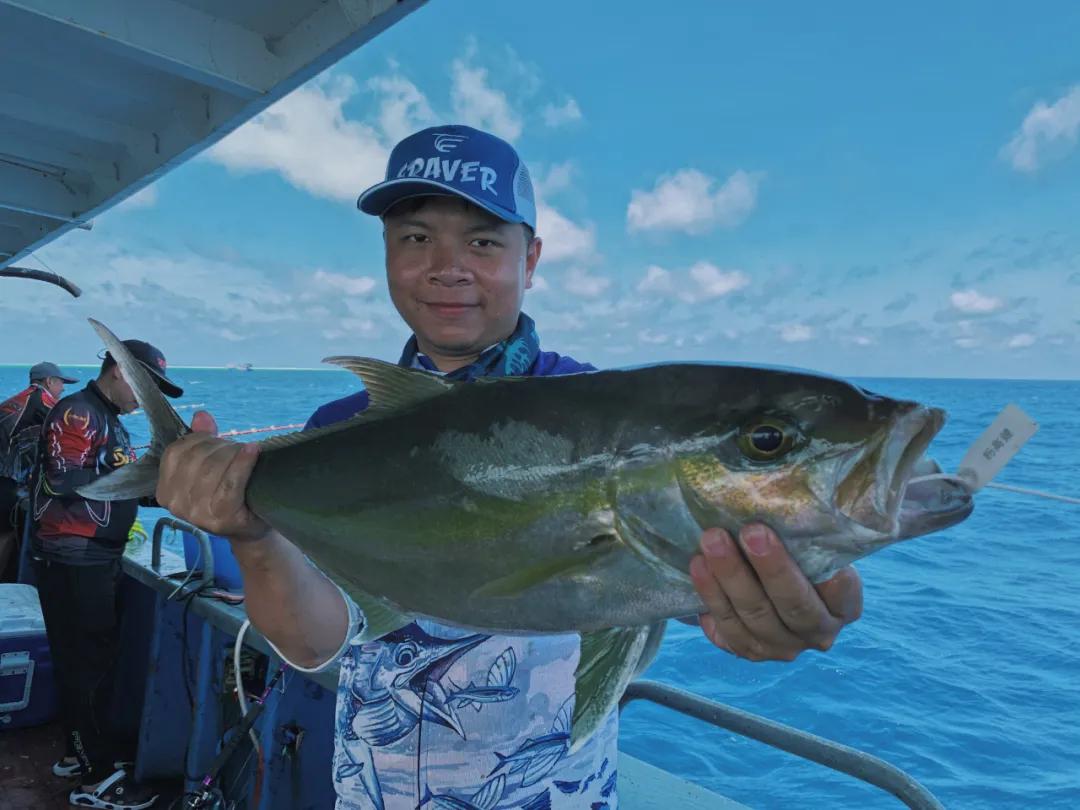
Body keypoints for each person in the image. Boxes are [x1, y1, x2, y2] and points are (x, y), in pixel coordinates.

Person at [155, 125, 863, 809]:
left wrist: (775, 599)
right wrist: (250, 534)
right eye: (415, 238)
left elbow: (683, 561)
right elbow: (313, 643)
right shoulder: (339, 433)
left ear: (530, 259)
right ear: (386, 255)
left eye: (484, 240)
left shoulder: (610, 418)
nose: (447, 266)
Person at [33, 341, 183, 809]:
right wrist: (138, 476)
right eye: (149, 386)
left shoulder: (110, 421)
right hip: (75, 560)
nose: (150, 398)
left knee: (88, 661)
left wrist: (171, 485)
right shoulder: (77, 413)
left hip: (92, 560)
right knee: (89, 668)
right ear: (120, 371)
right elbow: (65, 480)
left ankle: (81, 755)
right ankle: (96, 779)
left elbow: (123, 489)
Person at [0, 362, 78, 580]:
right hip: (5, 480)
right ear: (49, 381)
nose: (63, 388)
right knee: (5, 535)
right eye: (61, 383)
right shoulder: (45, 404)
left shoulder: (16, 400)